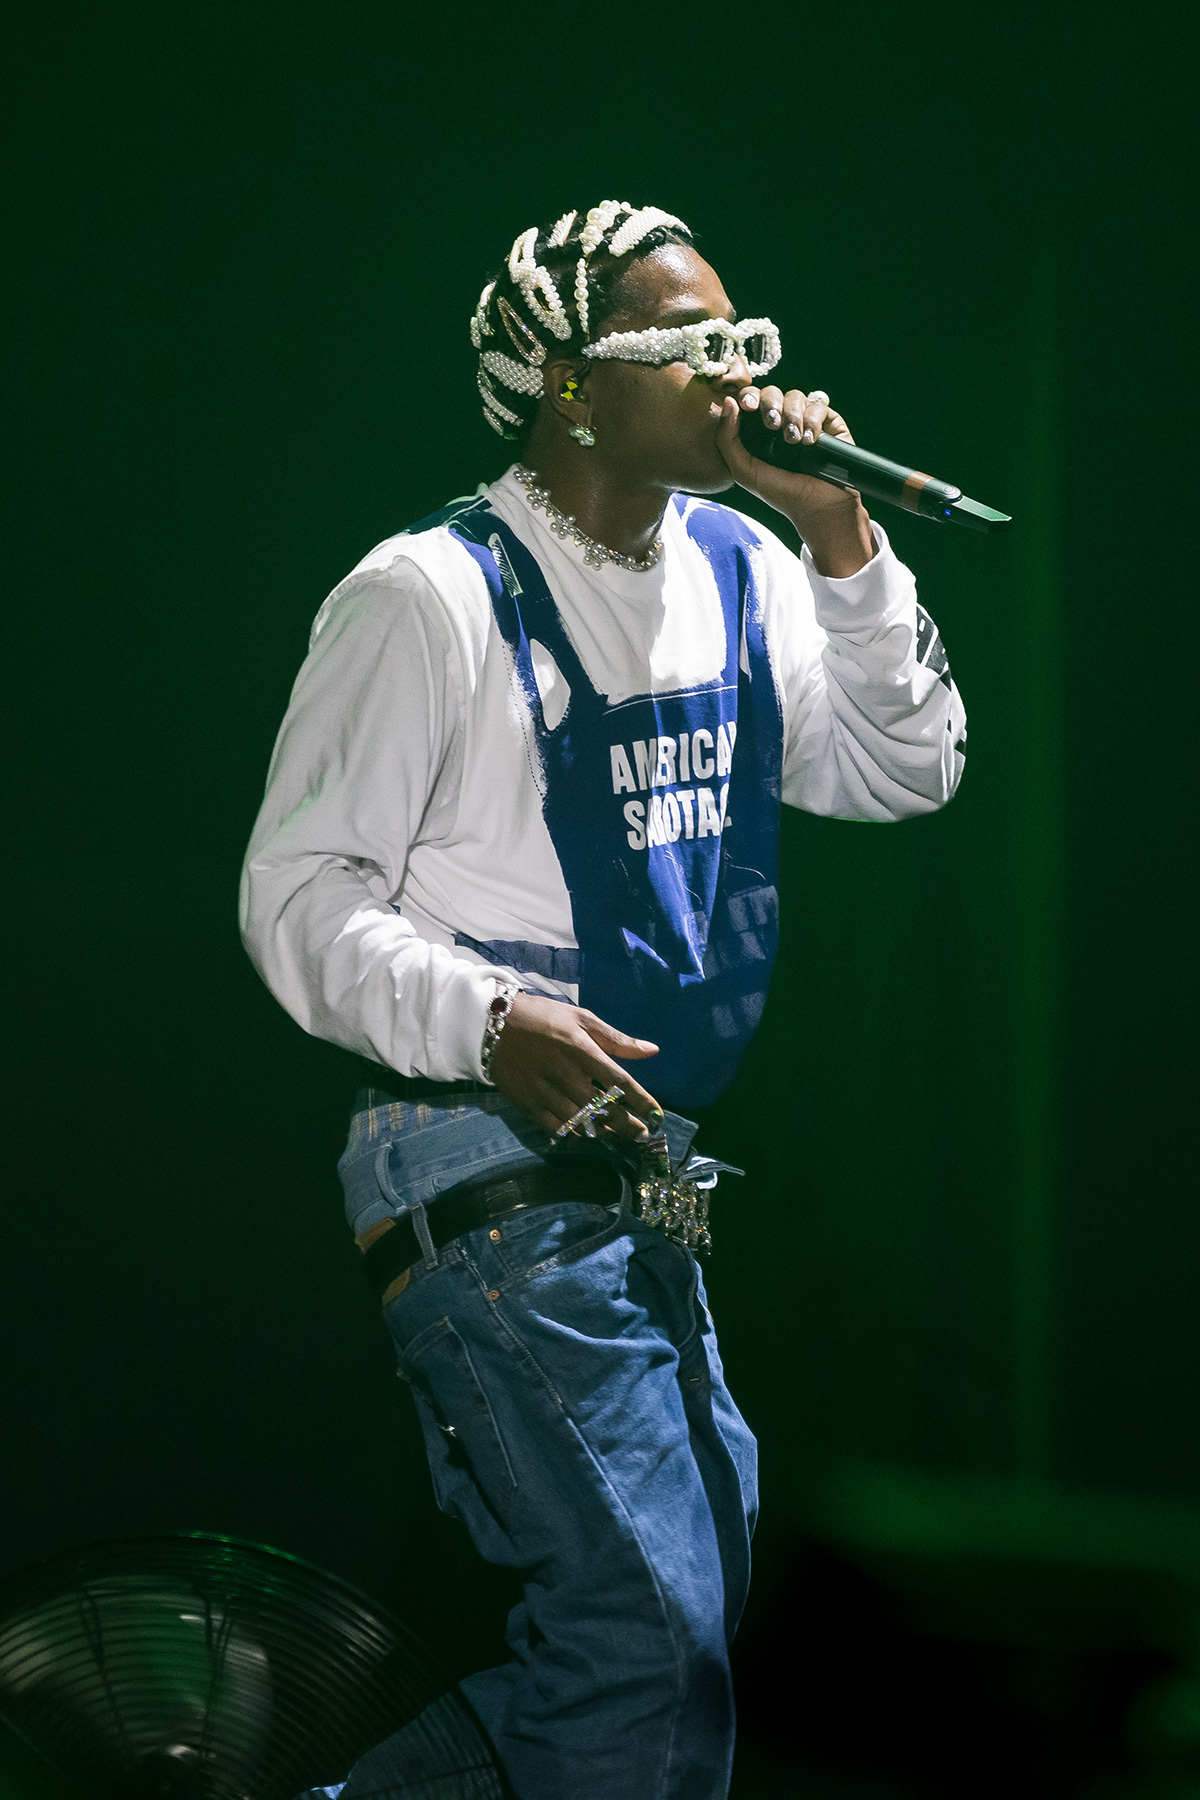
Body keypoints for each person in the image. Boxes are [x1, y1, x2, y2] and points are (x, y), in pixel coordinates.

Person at [240, 199, 966, 1800]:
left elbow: (906, 770)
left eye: (738, 341)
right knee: (647, 1638)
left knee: (660, 1662)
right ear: (572, 386)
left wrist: (843, 538)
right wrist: (488, 1020)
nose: (732, 376)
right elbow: (296, 901)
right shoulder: (427, 595)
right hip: (475, 1159)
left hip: (635, 1176)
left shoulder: (744, 566)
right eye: (689, 346)